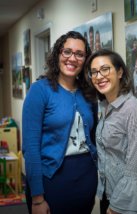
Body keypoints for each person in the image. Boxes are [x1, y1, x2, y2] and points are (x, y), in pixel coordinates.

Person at [22, 31, 98, 214]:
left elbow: (94, 136)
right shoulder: (39, 91)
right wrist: (38, 199)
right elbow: (30, 148)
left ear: (85, 60)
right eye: (67, 52)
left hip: (86, 179)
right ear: (58, 54)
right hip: (52, 181)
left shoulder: (88, 92)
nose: (73, 58)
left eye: (79, 54)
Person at [85, 49, 137, 214]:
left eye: (105, 69)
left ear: (119, 72)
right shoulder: (105, 106)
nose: (99, 76)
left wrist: (116, 208)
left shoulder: (135, 110)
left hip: (129, 202)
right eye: (94, 72)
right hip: (110, 193)